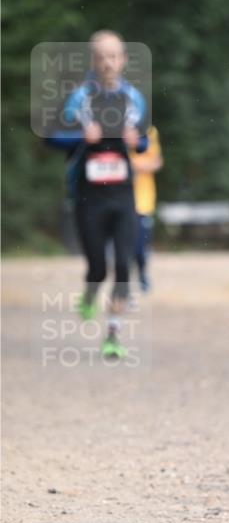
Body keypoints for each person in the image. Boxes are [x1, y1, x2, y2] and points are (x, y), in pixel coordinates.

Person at [47, 31, 148, 358]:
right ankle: (90, 295)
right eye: (102, 56)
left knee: (123, 264)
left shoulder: (134, 98)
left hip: (123, 195)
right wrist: (80, 136)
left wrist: (137, 141)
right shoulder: (80, 98)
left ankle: (113, 336)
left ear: (123, 60)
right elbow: (52, 137)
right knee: (97, 269)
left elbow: (144, 141)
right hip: (89, 198)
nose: (108, 62)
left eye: (114, 56)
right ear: (93, 61)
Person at [130, 124, 163, 291]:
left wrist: (133, 166)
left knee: (140, 245)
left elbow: (156, 161)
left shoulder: (149, 131)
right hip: (120, 198)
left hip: (143, 199)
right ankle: (123, 284)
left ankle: (142, 272)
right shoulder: (109, 129)